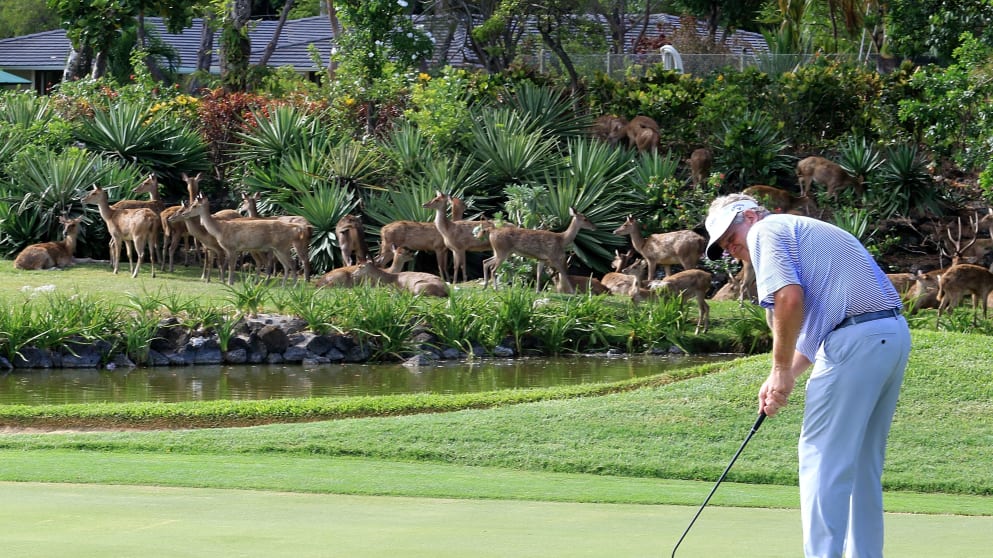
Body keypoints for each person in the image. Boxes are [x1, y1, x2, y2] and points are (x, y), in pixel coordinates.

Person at [704, 193, 911, 558]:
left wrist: (780, 369)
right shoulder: (800, 230)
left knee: (822, 458)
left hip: (856, 340)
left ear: (749, 216)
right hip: (889, 335)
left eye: (729, 236)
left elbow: (789, 298)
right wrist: (781, 379)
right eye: (722, 246)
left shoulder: (765, 230)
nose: (730, 248)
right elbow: (817, 330)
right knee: (862, 466)